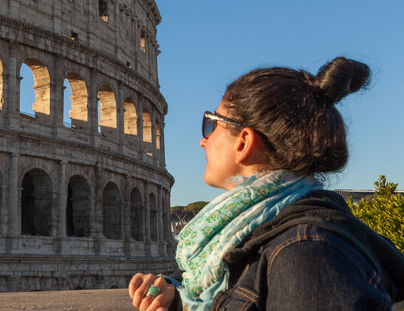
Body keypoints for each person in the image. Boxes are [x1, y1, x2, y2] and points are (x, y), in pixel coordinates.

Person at [129, 57, 404, 310]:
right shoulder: (259, 234)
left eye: (211, 124)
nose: (204, 140)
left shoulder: (304, 256)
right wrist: (179, 301)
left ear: (244, 142)